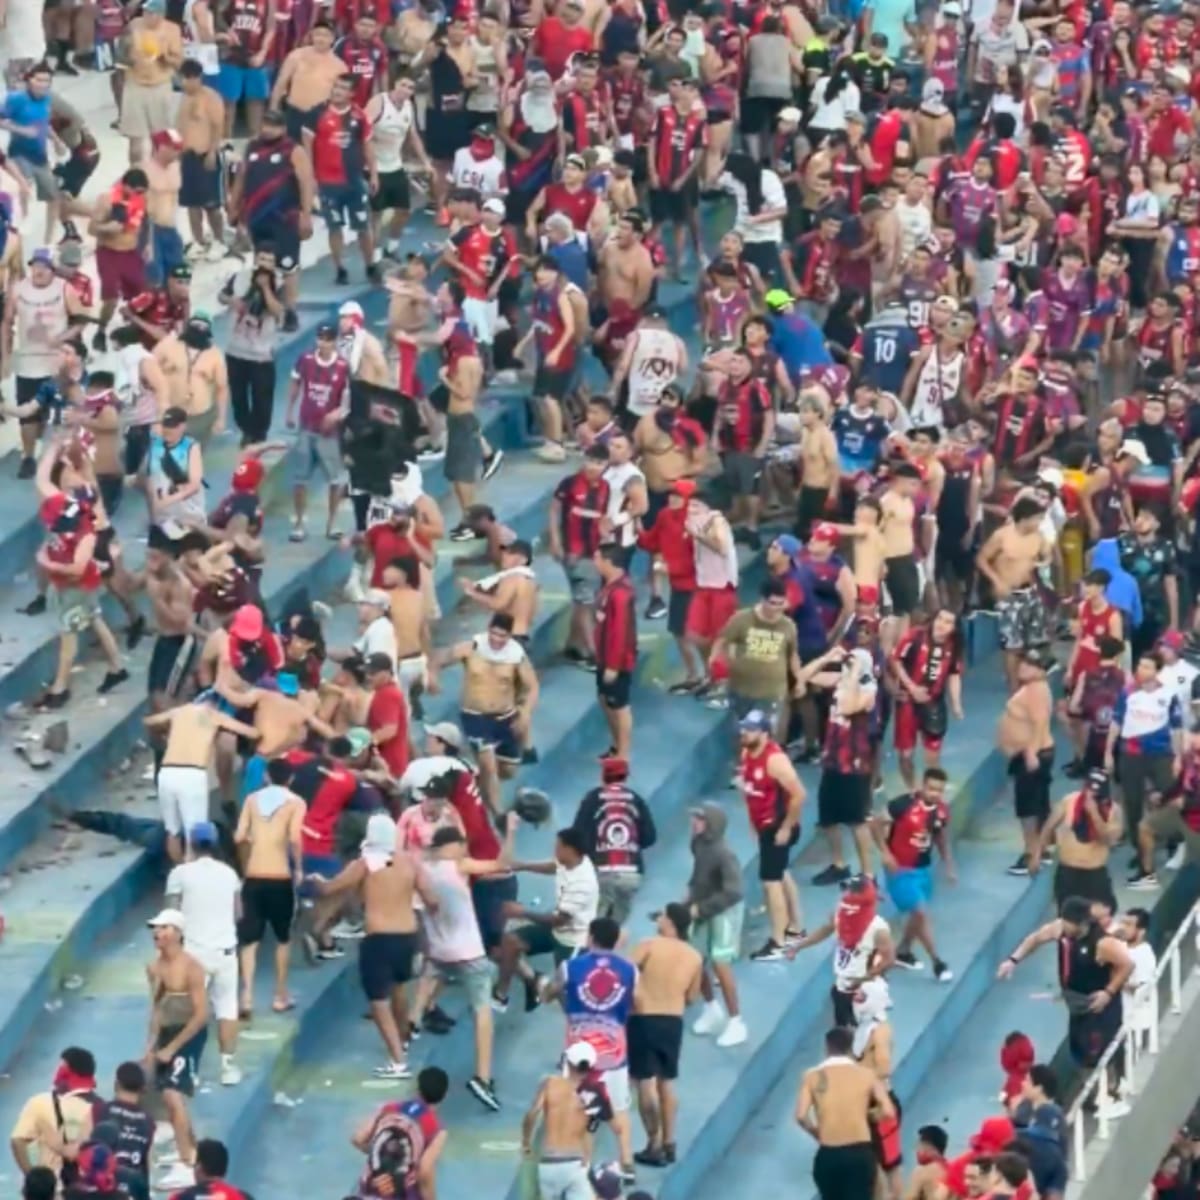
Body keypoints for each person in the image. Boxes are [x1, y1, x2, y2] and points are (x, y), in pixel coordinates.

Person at [308, 812, 436, 1079]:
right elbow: (432, 900)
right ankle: (403, 1040)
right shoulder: (410, 863)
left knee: (378, 1001)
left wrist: (315, 881)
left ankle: (398, 1061)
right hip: (407, 936)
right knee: (400, 988)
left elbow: (331, 889)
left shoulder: (366, 863)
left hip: (378, 939)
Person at [409, 816, 518, 1111]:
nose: (465, 848)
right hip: (469, 953)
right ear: (452, 845)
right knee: (483, 1010)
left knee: (430, 978)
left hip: (439, 951)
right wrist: (510, 833)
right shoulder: (459, 865)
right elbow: (502, 865)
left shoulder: (421, 868)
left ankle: (411, 1026)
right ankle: (482, 1078)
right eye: (461, 844)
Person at [998, 895, 1134, 1087]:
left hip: (1099, 1006)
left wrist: (1108, 992)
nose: (1062, 925)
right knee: (1079, 1050)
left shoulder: (1102, 943)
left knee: (1102, 1051)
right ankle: (1093, 1092)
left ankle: (1114, 1090)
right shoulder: (1061, 929)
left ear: (1081, 922)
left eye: (1067, 922)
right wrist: (1013, 961)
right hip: (1076, 1003)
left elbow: (1127, 965)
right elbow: (1035, 939)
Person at [541, 917, 638, 1178]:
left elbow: (549, 993)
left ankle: (581, 1164)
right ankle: (627, 1162)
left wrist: (548, 992)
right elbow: (636, 1003)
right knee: (619, 1108)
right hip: (613, 1051)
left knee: (577, 1107)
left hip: (578, 1052)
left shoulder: (570, 968)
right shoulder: (630, 970)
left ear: (591, 937)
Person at [164, 823, 243, 1086]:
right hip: (225, 951)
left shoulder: (180, 874)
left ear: (192, 844)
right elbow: (238, 913)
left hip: (194, 954)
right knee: (227, 1008)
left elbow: (171, 916)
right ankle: (228, 1068)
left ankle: (191, 1069)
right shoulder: (229, 874)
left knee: (192, 1011)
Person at [143, 691, 260, 862]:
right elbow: (252, 733)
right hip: (192, 775)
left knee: (173, 832)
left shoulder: (180, 712)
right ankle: (192, 874)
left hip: (167, 773)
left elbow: (149, 721)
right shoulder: (214, 715)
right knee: (194, 836)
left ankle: (179, 872)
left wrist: (166, 731)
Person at [627, 903, 702, 1169]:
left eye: (662, 916)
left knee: (644, 1082)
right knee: (666, 1081)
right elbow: (692, 997)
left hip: (643, 1018)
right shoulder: (694, 956)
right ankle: (670, 1141)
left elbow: (624, 974)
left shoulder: (649, 944)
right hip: (673, 1021)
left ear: (669, 923)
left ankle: (654, 1143)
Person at [496, 827, 599, 1011]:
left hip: (572, 941)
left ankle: (580, 1026)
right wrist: (522, 865)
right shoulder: (572, 861)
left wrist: (522, 912)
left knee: (563, 993)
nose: (554, 850)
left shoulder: (582, 884)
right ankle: (501, 994)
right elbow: (554, 866)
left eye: (558, 847)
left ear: (570, 850)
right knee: (510, 942)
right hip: (557, 930)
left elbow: (558, 920)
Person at [145, 908, 209, 1190]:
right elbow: (157, 1009)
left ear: (178, 933)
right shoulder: (153, 967)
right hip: (167, 1033)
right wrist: (151, 1046)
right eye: (155, 929)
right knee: (170, 1097)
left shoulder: (192, 967)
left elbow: (200, 1015)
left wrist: (172, 1047)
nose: (157, 934)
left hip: (189, 1034)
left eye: (163, 928)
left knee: (173, 1094)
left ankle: (185, 1163)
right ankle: (193, 1153)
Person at [235, 763, 305, 1017]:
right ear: (291, 777)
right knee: (283, 938)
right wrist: (298, 867)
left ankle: (247, 996)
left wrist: (253, 849)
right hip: (279, 876)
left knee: (250, 940)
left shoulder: (252, 800)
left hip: (253, 876)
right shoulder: (295, 802)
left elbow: (239, 836)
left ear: (266, 776)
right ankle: (279, 995)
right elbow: (295, 837)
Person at [874, 767, 956, 981]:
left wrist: (948, 864)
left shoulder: (941, 811)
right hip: (899, 869)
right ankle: (937, 962)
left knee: (916, 914)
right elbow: (875, 823)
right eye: (930, 788)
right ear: (922, 786)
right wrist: (885, 853)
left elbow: (940, 836)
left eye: (939, 790)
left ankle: (903, 950)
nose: (934, 794)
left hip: (922, 868)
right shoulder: (903, 804)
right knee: (920, 912)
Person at [736, 709, 805, 961]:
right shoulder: (746, 753)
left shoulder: (775, 761)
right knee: (781, 873)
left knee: (770, 882)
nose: (744, 733)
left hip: (777, 827)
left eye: (751, 729)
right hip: (764, 826)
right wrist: (751, 823)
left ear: (765, 733)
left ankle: (778, 942)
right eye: (744, 728)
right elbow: (750, 791)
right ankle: (796, 928)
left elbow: (799, 794)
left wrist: (786, 827)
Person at [796, 1026, 895, 1200]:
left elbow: (801, 1116)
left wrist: (817, 1133)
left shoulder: (811, 1076)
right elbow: (888, 1111)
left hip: (829, 1153)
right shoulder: (867, 1075)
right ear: (851, 1048)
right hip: (860, 1153)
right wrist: (870, 1116)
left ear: (826, 1048)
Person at [686, 803, 747, 1049]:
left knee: (720, 963)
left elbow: (733, 891)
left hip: (725, 911)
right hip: (702, 904)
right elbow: (698, 876)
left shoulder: (725, 854)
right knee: (695, 958)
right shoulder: (698, 844)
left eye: (699, 819)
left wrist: (700, 909)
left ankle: (736, 1021)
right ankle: (711, 1008)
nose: (694, 822)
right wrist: (688, 901)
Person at [522, 1042, 613, 1200]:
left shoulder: (550, 1084)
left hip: (549, 1162)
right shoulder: (595, 1091)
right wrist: (588, 1159)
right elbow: (590, 1130)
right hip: (576, 1162)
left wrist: (526, 1142)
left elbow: (532, 1114)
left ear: (568, 1062)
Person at [571, 757, 657, 924]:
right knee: (615, 927)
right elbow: (650, 837)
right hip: (631, 874)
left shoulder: (593, 798)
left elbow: (577, 834)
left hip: (600, 871)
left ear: (603, 775)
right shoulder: (636, 799)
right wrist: (630, 845)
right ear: (625, 776)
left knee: (593, 925)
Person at [996, 645, 1056, 876]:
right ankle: (1043, 849)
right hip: (1032, 753)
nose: (1024, 667)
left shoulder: (1036, 690)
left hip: (1033, 754)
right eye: (1023, 662)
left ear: (1041, 670)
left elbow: (1040, 723)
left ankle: (1032, 853)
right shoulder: (1033, 687)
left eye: (1031, 665)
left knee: (1028, 809)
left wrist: (1030, 752)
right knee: (1039, 804)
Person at [1030, 768, 1121, 909]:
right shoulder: (1069, 801)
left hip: (1094, 874)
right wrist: (1036, 855)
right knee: (1066, 914)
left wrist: (1094, 813)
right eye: (1089, 789)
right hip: (1068, 871)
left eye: (1096, 791)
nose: (1091, 794)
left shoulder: (1113, 811)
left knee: (1100, 914)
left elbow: (1107, 840)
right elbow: (1048, 827)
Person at [352, 1068, 448, 1200]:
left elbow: (358, 1138)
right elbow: (425, 1170)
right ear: (444, 1096)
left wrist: (380, 1153)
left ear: (417, 1087)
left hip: (370, 1188)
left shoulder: (390, 1108)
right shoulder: (437, 1129)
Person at [10, 1047, 98, 1180]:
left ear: (64, 1071)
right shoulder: (102, 1108)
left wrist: (33, 1178)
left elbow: (17, 1141)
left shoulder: (40, 1103)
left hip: (50, 1189)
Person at [594, 544, 638, 761]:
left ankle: (623, 754)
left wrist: (613, 665)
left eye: (598, 558)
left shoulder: (620, 594)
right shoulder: (609, 588)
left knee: (619, 706)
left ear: (608, 562)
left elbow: (620, 632)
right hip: (603, 657)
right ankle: (615, 745)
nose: (595, 562)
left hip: (617, 662)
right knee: (605, 700)